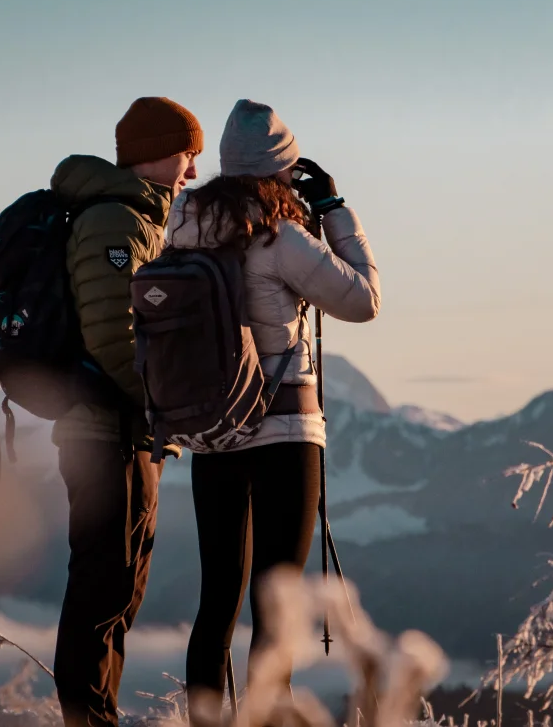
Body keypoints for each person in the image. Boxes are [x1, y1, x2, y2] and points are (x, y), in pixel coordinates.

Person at [165, 99, 381, 721]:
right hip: (284, 432)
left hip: (212, 432)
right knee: (277, 603)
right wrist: (336, 211)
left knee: (217, 599)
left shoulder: (183, 227)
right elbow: (363, 299)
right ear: (278, 171)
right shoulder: (280, 235)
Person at [50, 97, 203, 727]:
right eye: (189, 157)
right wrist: (164, 410)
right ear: (163, 150)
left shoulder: (134, 216)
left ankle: (96, 714)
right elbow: (116, 338)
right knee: (102, 590)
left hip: (123, 431)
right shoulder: (119, 221)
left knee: (117, 589)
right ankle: (88, 719)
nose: (192, 174)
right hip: (108, 431)